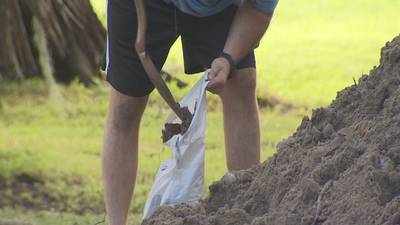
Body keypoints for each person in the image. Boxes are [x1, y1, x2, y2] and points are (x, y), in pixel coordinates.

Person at [102, 0, 278, 224]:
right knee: (125, 105)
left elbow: (258, 10)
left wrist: (227, 59)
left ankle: (246, 211)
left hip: (217, 10)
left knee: (240, 83)